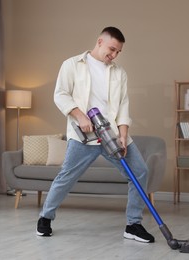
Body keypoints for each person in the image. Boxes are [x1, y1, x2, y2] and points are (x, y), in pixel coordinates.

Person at [36, 26, 154, 243]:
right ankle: (45, 218)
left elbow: (124, 105)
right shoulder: (72, 65)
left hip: (113, 135)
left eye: (118, 52)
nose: (114, 55)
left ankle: (133, 225)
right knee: (66, 177)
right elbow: (61, 95)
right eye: (112, 49)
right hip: (84, 135)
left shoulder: (119, 73)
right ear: (100, 41)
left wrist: (123, 134)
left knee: (140, 172)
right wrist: (80, 116)